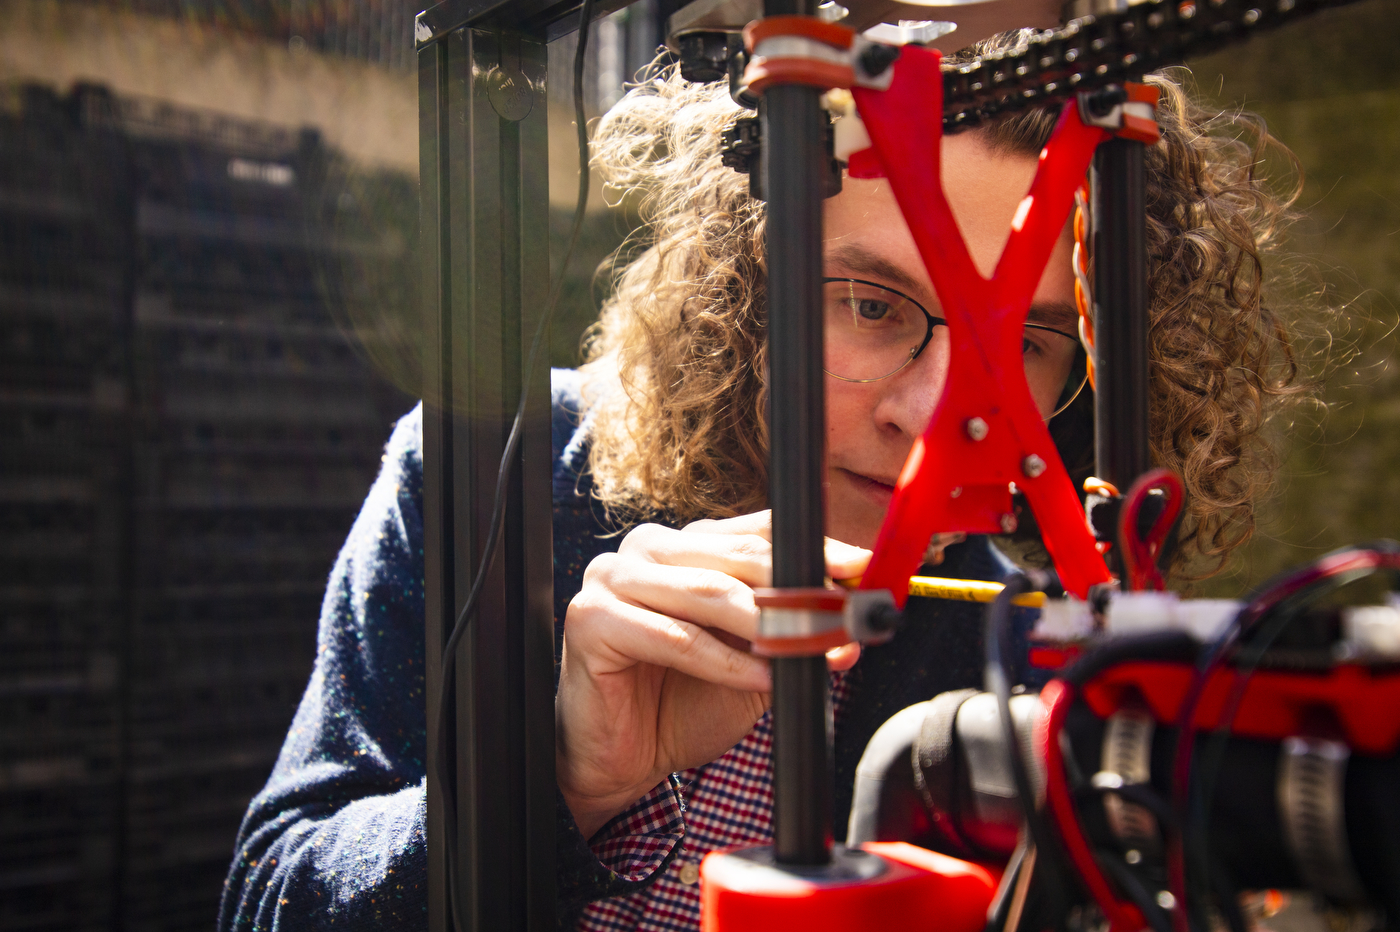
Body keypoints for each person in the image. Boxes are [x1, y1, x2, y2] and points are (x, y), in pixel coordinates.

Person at [219, 31, 1305, 932]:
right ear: (740, 285)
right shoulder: (493, 472)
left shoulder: (1014, 637)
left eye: (1024, 337)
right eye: (869, 304)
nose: (930, 415)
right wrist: (557, 782)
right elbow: (269, 895)